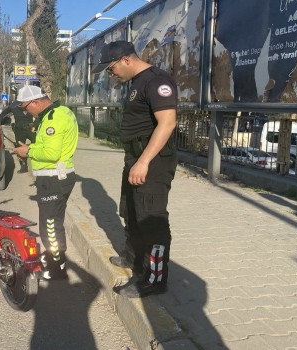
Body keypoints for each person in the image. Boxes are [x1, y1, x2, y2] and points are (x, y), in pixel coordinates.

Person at [92, 41, 178, 298]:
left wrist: (144, 161)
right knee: (130, 211)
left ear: (126, 60)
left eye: (111, 68)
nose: (111, 74)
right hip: (135, 157)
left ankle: (154, 280)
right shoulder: (137, 83)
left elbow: (167, 122)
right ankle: (133, 259)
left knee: (151, 220)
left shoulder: (157, 81)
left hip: (152, 161)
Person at [11, 85, 78, 280]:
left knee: (50, 225)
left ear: (36, 102)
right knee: (54, 222)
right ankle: (55, 258)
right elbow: (49, 145)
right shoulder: (59, 112)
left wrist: (28, 152)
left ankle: (56, 266)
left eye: (25, 107)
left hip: (53, 179)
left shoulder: (53, 119)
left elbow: (51, 153)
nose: (25, 111)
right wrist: (32, 146)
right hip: (58, 177)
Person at [0, 104, 36, 173]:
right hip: (19, 130)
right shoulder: (13, 106)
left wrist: (36, 124)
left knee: (37, 145)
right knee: (19, 147)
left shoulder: (30, 103)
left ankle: (38, 163)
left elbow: (39, 114)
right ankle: (23, 166)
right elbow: (4, 113)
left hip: (31, 129)